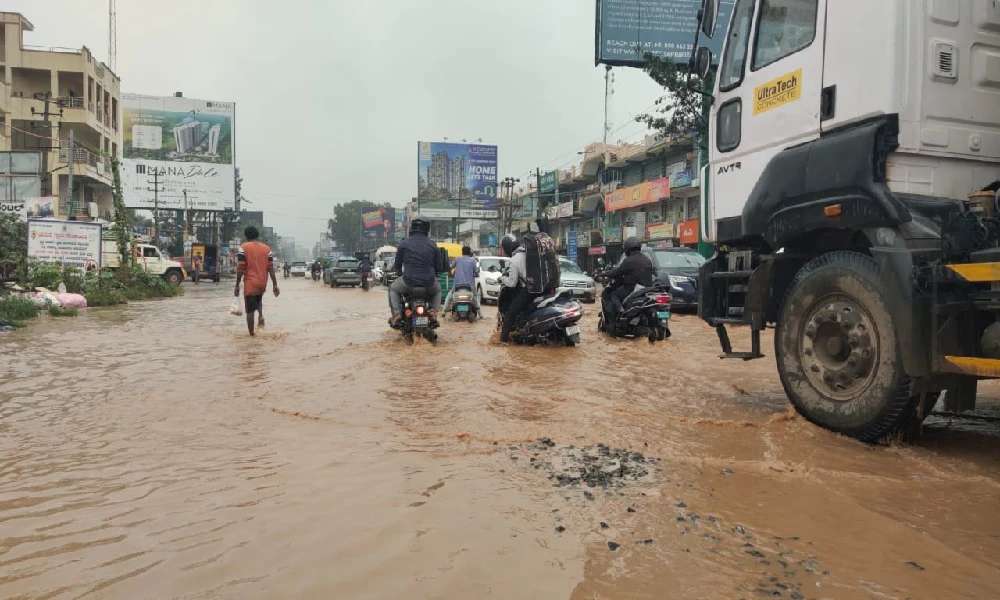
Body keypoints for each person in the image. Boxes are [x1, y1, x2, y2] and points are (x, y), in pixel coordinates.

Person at [389, 217, 442, 325]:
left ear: (412, 229)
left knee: (393, 289)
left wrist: (399, 273)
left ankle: (398, 314)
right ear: (427, 229)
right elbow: (439, 267)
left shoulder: (404, 244)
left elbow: (398, 265)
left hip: (408, 282)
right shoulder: (433, 245)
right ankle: (434, 312)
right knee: (438, 290)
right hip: (429, 283)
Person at [234, 226, 280, 336]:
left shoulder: (243, 248)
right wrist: (275, 285)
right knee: (258, 299)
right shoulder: (267, 249)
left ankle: (251, 335)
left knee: (249, 311)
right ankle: (261, 315)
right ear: (257, 235)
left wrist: (236, 285)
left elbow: (241, 268)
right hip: (263, 283)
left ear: (246, 236)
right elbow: (271, 269)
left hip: (250, 282)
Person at [498, 234, 535, 343]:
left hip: (528, 291)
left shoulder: (514, 260)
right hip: (542, 289)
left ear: (507, 247)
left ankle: (503, 341)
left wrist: (502, 278)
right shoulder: (527, 253)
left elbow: (512, 283)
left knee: (510, 313)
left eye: (503, 248)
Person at [605, 236, 654, 318]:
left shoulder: (629, 260)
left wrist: (607, 273)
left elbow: (618, 271)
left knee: (614, 294)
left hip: (632, 289)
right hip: (647, 289)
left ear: (627, 248)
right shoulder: (647, 259)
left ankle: (621, 310)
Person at [443, 245, 482, 317]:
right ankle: (481, 314)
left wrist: (450, 274)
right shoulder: (473, 261)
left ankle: (443, 312)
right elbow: (476, 273)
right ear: (469, 252)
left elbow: (450, 268)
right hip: (470, 286)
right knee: (476, 298)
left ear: (462, 252)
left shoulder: (457, 259)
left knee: (449, 296)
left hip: (457, 286)